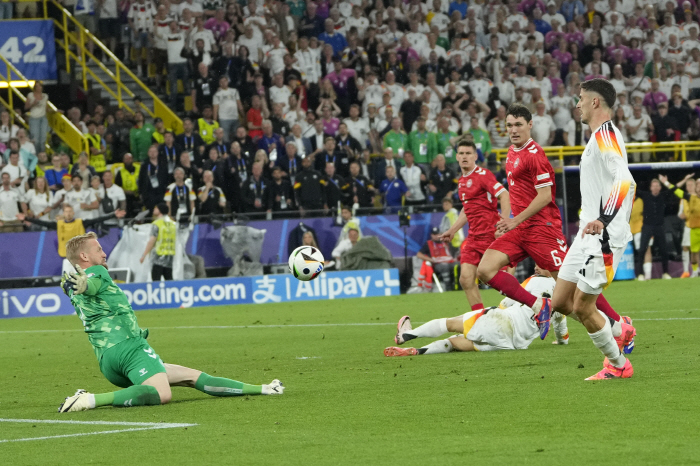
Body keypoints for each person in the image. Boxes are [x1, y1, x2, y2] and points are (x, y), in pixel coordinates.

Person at [57, 231, 283, 412]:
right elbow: (93, 283)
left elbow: (87, 286)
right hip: (129, 348)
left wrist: (80, 286)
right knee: (162, 394)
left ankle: (264, 389)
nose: (104, 254)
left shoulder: (74, 284)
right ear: (85, 257)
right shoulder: (96, 273)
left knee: (191, 377)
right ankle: (90, 400)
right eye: (99, 249)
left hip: (107, 361)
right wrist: (86, 284)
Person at [476, 103, 627, 344]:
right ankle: (539, 305)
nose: (513, 130)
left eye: (518, 125)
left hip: (542, 230)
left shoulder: (535, 155)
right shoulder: (512, 152)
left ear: (530, 125)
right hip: (521, 230)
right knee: (484, 270)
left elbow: (545, 195)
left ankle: (618, 326)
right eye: (509, 125)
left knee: (574, 288)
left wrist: (515, 220)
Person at [550, 79, 638, 380]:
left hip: (602, 236)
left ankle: (617, 365)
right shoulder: (596, 138)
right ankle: (618, 328)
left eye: (581, 98)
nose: (577, 104)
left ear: (595, 102)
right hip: (585, 235)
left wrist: (605, 217)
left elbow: (624, 180)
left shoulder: (606, 137)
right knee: (561, 302)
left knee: (583, 307)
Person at [385, 270, 569, 356]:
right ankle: (418, 351)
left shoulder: (534, 280)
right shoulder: (561, 297)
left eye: (540, 264)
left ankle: (406, 335)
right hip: (515, 345)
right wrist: (560, 341)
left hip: (504, 322)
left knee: (449, 323)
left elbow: (506, 303)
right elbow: (562, 332)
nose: (536, 267)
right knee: (457, 344)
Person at [440, 140, 510, 310]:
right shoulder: (462, 181)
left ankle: (528, 307)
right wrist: (452, 230)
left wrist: (505, 223)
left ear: (475, 156)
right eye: (461, 153)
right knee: (465, 278)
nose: (464, 157)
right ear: (456, 157)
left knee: (499, 282)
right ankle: (480, 318)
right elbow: (467, 209)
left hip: (491, 235)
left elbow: (505, 195)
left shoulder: (483, 175)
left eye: (468, 153)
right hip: (474, 237)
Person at [18, 204, 125, 260]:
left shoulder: (81, 222)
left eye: (70, 211)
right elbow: (42, 223)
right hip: (66, 257)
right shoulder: (58, 224)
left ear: (73, 213)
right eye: (66, 212)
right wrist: (27, 218)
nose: (68, 213)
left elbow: (97, 219)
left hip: (81, 257)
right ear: (63, 213)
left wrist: (113, 215)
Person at [633, 178, 673, 280]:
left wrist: (666, 182)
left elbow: (674, 189)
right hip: (647, 226)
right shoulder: (645, 195)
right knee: (642, 250)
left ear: (660, 188)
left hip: (659, 226)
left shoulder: (663, 195)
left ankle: (665, 273)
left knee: (664, 250)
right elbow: (634, 188)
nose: (655, 188)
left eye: (657, 186)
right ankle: (640, 274)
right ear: (650, 187)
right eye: (653, 186)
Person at [662, 174, 700, 278]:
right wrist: (665, 182)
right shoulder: (687, 197)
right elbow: (676, 191)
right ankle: (692, 271)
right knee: (691, 250)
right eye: (698, 186)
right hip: (692, 227)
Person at [412, 226, 456, 292]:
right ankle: (448, 286)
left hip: (450, 262)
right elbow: (419, 254)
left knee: (459, 265)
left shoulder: (445, 242)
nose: (436, 236)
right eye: (434, 234)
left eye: (437, 234)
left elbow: (453, 253)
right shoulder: (428, 244)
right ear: (431, 235)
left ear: (440, 234)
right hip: (437, 264)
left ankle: (459, 285)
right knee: (444, 266)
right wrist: (431, 260)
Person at [140, 203, 177, 280]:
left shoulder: (157, 224)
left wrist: (144, 255)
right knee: (169, 279)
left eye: (156, 208)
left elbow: (152, 241)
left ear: (160, 210)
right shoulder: (173, 224)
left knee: (156, 279)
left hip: (158, 255)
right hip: (169, 255)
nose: (154, 209)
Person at [24, 81, 50, 154]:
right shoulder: (30, 95)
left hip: (43, 118)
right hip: (34, 119)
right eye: (37, 86)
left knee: (43, 139)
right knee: (36, 140)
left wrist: (56, 111)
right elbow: (26, 107)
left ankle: (42, 155)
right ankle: (36, 155)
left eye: (40, 86)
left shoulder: (45, 96)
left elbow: (47, 109)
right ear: (35, 87)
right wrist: (33, 104)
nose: (39, 87)